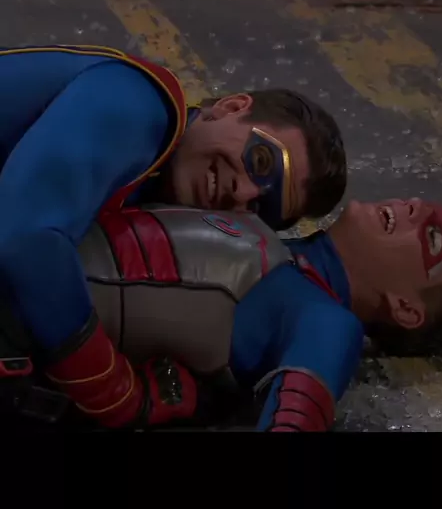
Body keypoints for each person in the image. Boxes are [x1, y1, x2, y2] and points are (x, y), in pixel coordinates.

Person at [0, 43, 347, 423]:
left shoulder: (152, 188)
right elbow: (28, 240)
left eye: (259, 209)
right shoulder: (137, 101)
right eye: (261, 161)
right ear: (231, 107)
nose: (242, 193)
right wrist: (115, 389)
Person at [2, 196, 442, 431]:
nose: (416, 206)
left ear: (405, 308)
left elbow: (293, 423)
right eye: (424, 205)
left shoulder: (328, 322)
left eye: (431, 236)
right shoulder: (264, 225)